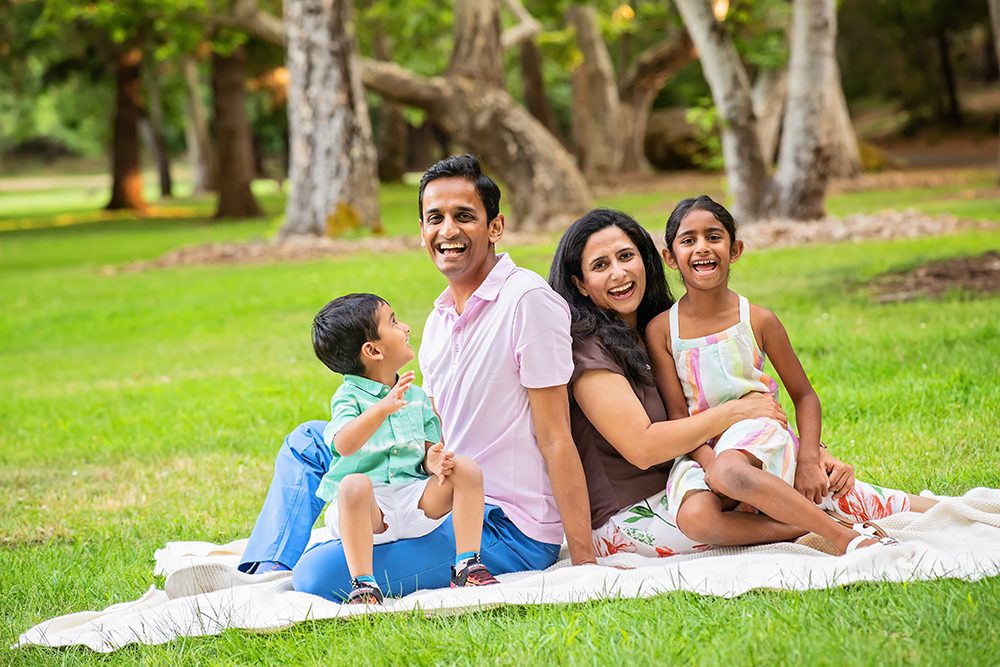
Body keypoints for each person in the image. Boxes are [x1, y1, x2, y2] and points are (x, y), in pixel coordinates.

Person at [166, 155, 596, 601]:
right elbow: (441, 421)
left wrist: (583, 559)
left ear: (495, 227)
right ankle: (263, 571)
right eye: (435, 218)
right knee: (310, 441)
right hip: (432, 481)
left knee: (316, 575)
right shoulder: (439, 318)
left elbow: (556, 436)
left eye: (464, 216)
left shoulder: (527, 301)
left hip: (504, 524)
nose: (447, 230)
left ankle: (300, 566)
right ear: (422, 231)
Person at [549, 208, 934, 558]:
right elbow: (644, 447)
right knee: (769, 496)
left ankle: (947, 511)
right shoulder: (589, 352)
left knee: (839, 488)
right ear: (581, 284)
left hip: (703, 479)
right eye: (600, 265)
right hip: (635, 514)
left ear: (647, 260)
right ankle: (822, 529)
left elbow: (728, 396)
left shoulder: (654, 330)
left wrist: (812, 453)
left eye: (626, 256)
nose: (618, 273)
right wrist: (734, 412)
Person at [310, 293, 498, 604]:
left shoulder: (416, 396)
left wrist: (433, 460)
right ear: (372, 350)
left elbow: (426, 449)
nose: (406, 327)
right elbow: (343, 444)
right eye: (394, 321)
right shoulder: (349, 397)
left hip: (414, 500)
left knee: (466, 469)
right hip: (369, 511)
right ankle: (364, 583)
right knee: (353, 485)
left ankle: (467, 565)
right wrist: (381, 408)